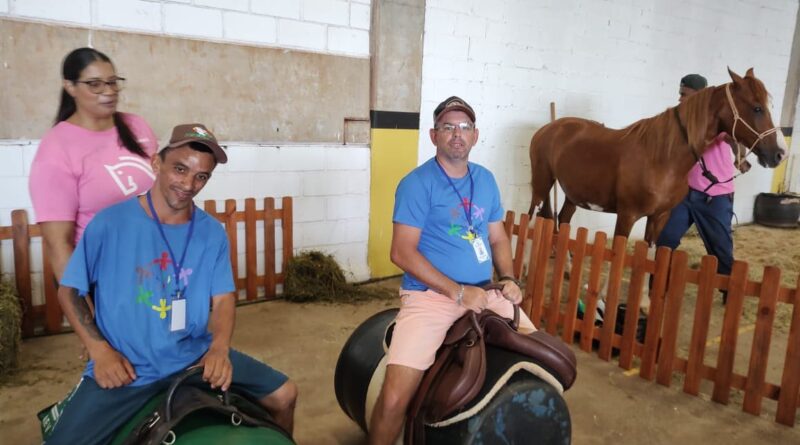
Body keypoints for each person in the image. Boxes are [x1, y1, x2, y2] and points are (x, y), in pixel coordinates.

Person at [45, 124, 297, 445]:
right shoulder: (110, 224)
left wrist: (219, 348)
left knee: (286, 395)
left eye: (201, 176)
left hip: (193, 359)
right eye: (180, 169)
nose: (189, 184)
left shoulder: (211, 233)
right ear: (156, 164)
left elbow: (222, 299)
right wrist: (99, 350)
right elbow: (70, 290)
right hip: (128, 369)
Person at [368, 96, 537, 443]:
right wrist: (456, 292)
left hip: (486, 293)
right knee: (394, 397)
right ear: (433, 135)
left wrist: (508, 278)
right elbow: (401, 251)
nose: (456, 134)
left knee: (541, 352)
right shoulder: (417, 183)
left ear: (475, 135)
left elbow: (498, 239)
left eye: (464, 127)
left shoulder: (486, 181)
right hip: (431, 298)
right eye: (448, 127)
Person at [29, 47, 158, 286]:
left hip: (155, 262)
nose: (108, 91)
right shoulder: (56, 149)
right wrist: (81, 310)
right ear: (70, 86)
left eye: (112, 82)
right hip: (104, 275)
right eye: (95, 84)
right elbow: (59, 244)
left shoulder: (136, 126)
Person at [657, 74, 737, 303]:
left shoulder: (718, 120)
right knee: (666, 240)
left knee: (720, 248)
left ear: (699, 96)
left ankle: (729, 293)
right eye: (680, 94)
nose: (680, 99)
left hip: (716, 196)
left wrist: (739, 151)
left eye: (685, 95)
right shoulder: (677, 121)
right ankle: (659, 285)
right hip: (684, 193)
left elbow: (733, 137)